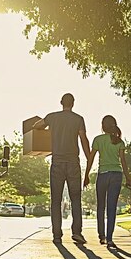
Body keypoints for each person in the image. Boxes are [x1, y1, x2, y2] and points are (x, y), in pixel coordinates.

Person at [34, 93, 90, 244]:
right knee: (76, 199)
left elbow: (37, 126)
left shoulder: (52, 117)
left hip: (57, 162)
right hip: (73, 163)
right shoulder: (78, 119)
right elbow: (83, 139)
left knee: (56, 200)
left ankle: (57, 234)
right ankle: (77, 232)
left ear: (61, 102)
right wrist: (89, 157)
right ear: (73, 103)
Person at [83, 115, 131, 249]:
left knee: (101, 206)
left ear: (103, 126)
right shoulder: (119, 142)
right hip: (116, 175)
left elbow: (91, 159)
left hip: (103, 175)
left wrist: (86, 175)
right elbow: (123, 162)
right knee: (112, 208)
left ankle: (102, 236)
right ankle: (110, 239)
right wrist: (128, 178)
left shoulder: (98, 140)